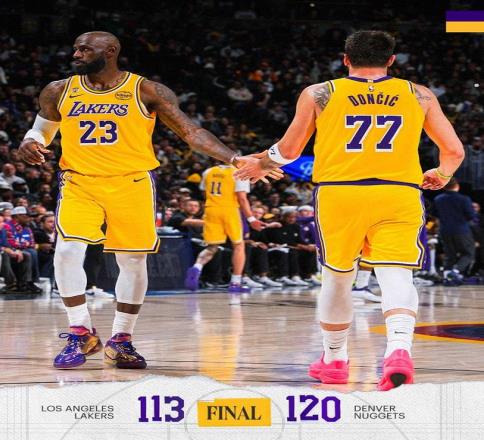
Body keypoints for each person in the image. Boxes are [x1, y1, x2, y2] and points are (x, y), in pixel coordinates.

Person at [18, 31, 279, 370]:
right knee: (67, 252)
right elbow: (42, 129)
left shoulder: (146, 90)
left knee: (132, 260)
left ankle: (121, 339)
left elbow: (190, 132)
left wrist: (233, 158)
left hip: (133, 183)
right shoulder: (58, 90)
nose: (76, 54)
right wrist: (31, 140)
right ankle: (80, 331)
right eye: (75, 49)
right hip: (80, 182)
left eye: (85, 49)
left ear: (110, 51)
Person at [235, 30, 465, 390]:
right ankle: (399, 350)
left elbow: (290, 150)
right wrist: (442, 174)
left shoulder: (319, 93)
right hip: (398, 192)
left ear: (346, 59)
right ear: (391, 60)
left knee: (338, 278)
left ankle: (335, 360)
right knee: (396, 276)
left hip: (339, 194)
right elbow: (454, 151)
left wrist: (262, 163)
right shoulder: (418, 94)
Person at [184, 162, 265, 293]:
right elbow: (242, 199)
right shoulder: (239, 172)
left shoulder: (208, 171)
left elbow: (204, 192)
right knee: (239, 245)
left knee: (212, 247)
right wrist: (252, 219)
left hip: (211, 209)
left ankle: (197, 267)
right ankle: (235, 283)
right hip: (229, 210)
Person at [434, 178, 476, 282]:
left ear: (444, 187)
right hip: (461, 230)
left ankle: (447, 277)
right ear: (457, 186)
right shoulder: (464, 199)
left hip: (444, 230)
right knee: (469, 253)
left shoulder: (438, 199)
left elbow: (435, 214)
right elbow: (471, 215)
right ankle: (455, 271)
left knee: (449, 254)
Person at [0, 211, 34, 293]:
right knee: (4, 254)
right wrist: (3, 249)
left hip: (0, 251)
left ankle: (25, 283)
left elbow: (6, 244)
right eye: (0, 222)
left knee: (26, 255)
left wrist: (15, 250)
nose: (3, 224)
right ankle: (10, 283)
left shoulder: (1, 230)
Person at [3, 206, 42, 293]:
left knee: (32, 252)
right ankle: (28, 282)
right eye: (26, 216)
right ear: (17, 216)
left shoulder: (27, 228)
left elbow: (32, 243)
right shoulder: (7, 226)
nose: (29, 218)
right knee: (31, 252)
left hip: (23, 250)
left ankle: (29, 282)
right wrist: (24, 245)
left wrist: (22, 245)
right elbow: (11, 243)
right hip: (10, 250)